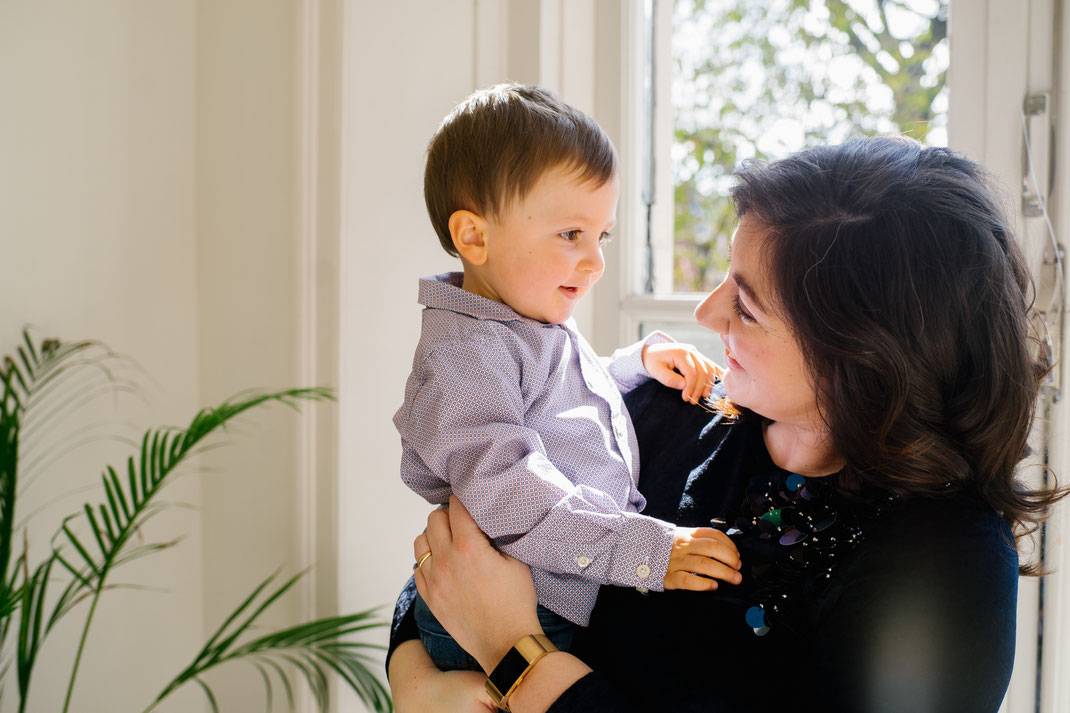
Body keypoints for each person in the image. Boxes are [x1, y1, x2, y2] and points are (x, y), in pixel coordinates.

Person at [389, 136, 1067, 712]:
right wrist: (413, 678)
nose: (708, 317)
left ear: (861, 358)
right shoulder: (662, 410)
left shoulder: (947, 561)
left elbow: (495, 612)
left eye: (745, 306)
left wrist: (516, 657)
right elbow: (468, 553)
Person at [394, 83, 741, 672]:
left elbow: (556, 412)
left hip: (554, 589)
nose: (596, 261)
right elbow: (513, 497)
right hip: (524, 604)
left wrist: (634, 365)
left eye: (600, 236)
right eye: (570, 234)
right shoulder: (468, 354)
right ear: (474, 236)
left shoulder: (519, 322)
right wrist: (649, 552)